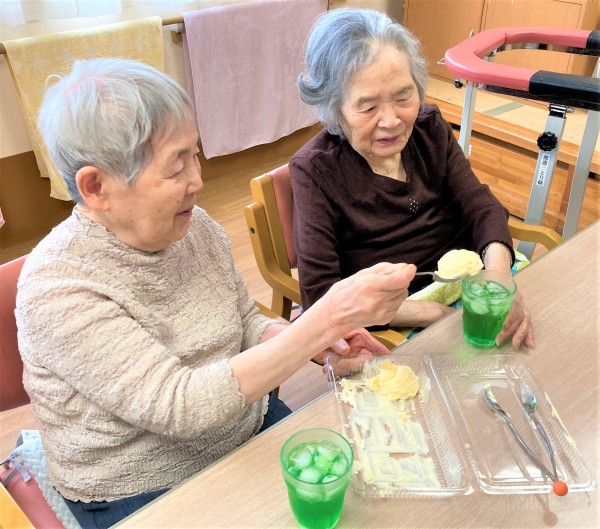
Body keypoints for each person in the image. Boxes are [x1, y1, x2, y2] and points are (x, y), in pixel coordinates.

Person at [15, 58, 416, 529]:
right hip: (138, 482)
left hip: (241, 423)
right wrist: (321, 322)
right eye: (176, 166)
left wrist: (319, 343)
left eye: (195, 155)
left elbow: (241, 319)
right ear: (96, 187)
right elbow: (180, 406)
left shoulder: (193, 227)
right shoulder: (57, 288)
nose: (198, 180)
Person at [290, 8, 533, 348]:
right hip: (390, 316)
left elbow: (481, 206)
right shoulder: (316, 170)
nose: (391, 121)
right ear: (334, 108)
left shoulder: (428, 128)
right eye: (368, 106)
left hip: (470, 286)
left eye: (403, 96)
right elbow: (320, 294)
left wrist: (497, 281)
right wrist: (429, 313)